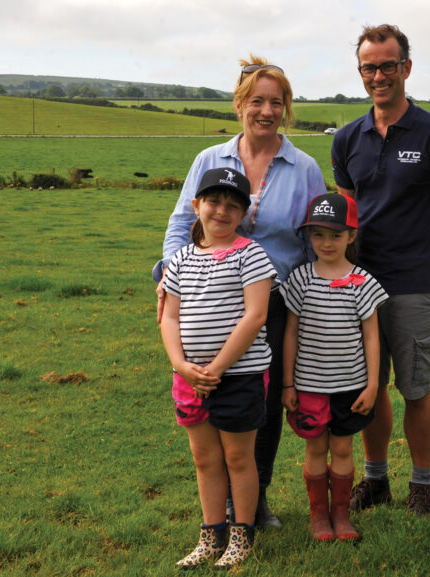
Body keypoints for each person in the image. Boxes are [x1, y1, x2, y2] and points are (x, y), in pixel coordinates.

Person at [155, 56, 327, 529]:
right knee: (208, 388)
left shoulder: (305, 167)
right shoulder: (208, 160)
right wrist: (170, 281)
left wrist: (311, 303)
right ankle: (223, 500)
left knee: (263, 402)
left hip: (272, 304)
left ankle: (256, 496)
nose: (266, 111)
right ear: (239, 104)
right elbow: (178, 225)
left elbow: (314, 239)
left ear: (287, 109)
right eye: (257, 101)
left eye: (277, 102)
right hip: (208, 300)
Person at [330, 24, 430, 516]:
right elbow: (347, 221)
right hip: (359, 285)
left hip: (413, 285)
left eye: (389, 65)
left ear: (406, 68)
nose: (379, 75)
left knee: (416, 388)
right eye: (370, 67)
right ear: (361, 72)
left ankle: (422, 486)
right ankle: (377, 479)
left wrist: (425, 271)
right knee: (368, 387)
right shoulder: (347, 139)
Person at [160, 167, 276, 568]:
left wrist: (217, 368)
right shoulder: (180, 261)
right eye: (213, 202)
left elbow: (256, 315)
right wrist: (180, 365)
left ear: (244, 213)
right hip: (189, 378)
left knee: (239, 459)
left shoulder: (251, 254)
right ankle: (211, 536)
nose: (222, 211)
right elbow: (169, 318)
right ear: (196, 206)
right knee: (205, 459)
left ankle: (242, 536)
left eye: (232, 205)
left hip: (239, 377)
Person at [280, 193, 388, 541]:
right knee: (315, 449)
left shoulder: (363, 282)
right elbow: (290, 333)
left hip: (351, 387)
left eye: (336, 235)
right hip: (308, 387)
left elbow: (372, 337)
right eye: (318, 234)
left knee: (342, 449)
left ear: (352, 236)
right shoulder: (299, 279)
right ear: (309, 236)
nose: (327, 243)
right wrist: (287, 384)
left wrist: (372, 385)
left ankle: (342, 515)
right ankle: (318, 517)